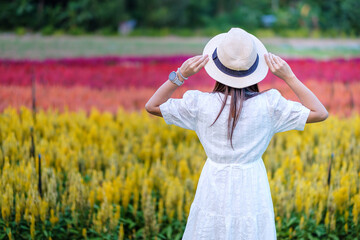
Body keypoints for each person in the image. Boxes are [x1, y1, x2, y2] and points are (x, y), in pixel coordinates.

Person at [145, 28, 328, 240]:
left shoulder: (200, 104)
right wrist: (289, 77)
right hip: (252, 185)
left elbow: (152, 106)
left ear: (217, 66)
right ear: (254, 67)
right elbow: (320, 113)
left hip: (213, 183)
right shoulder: (269, 105)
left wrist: (179, 75)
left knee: (209, 230)